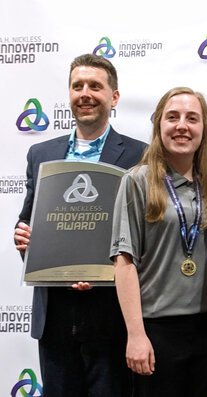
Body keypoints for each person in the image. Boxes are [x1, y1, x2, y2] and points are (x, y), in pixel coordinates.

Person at [13, 53, 146, 397]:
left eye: (95, 86)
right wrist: (24, 237)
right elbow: (29, 219)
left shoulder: (139, 155)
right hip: (54, 314)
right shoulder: (41, 153)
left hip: (110, 315)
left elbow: (145, 237)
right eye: (77, 86)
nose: (85, 93)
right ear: (69, 94)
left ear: (113, 97)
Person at [110, 87, 207, 397]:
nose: (182, 126)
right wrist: (136, 334)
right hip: (158, 329)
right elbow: (123, 262)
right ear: (158, 125)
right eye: (172, 117)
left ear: (204, 129)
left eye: (192, 118)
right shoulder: (137, 181)